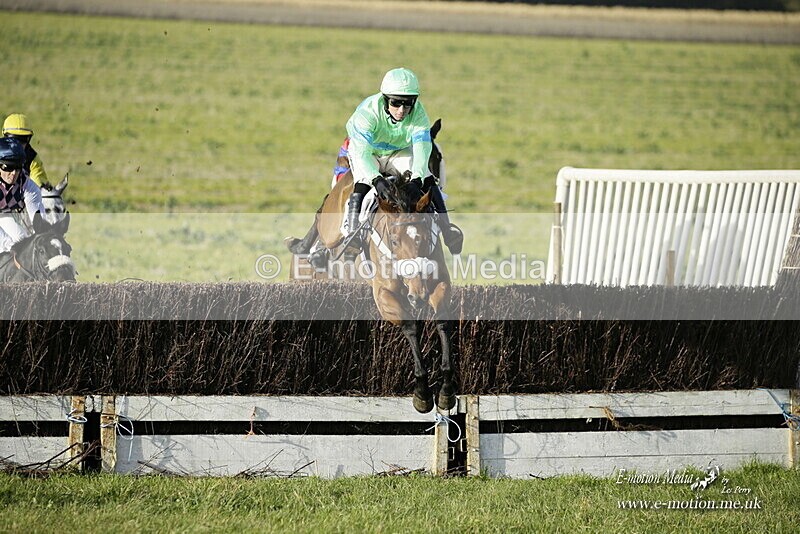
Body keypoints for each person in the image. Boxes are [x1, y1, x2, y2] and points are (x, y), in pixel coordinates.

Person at [339, 67, 462, 254]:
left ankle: (447, 230)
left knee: (428, 178)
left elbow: (421, 149)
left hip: (398, 152)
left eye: (408, 104)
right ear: (385, 98)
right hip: (368, 154)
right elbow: (362, 153)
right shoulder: (367, 113)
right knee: (362, 186)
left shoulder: (419, 113)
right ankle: (352, 234)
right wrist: (375, 179)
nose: (402, 110)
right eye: (396, 103)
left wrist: (417, 178)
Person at [0, 136, 45, 253]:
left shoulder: (29, 187)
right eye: (8, 167)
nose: (14, 173)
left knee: (22, 240)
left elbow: (39, 223)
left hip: (4, 214)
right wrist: (8, 245)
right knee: (7, 246)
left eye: (18, 167)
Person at [3, 113, 49, 187]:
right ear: (5, 137)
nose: (17, 145)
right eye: (13, 140)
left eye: (22, 140)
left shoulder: (33, 159)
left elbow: (39, 187)